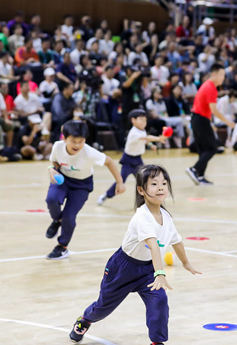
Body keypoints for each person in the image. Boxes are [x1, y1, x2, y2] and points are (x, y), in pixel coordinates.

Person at [68, 164, 201, 344]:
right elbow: (153, 246)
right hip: (122, 268)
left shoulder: (166, 217)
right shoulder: (142, 217)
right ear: (141, 190)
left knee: (159, 302)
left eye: (164, 183)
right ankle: (85, 320)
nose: (160, 187)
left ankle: (157, 342)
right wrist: (160, 273)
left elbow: (176, 241)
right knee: (103, 308)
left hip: (147, 271)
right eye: (154, 184)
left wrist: (186, 263)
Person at [45, 120, 126, 259]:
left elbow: (110, 162)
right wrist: (51, 170)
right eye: (73, 141)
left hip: (81, 185)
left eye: (81, 141)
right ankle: (58, 220)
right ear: (64, 138)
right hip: (63, 178)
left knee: (69, 217)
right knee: (51, 200)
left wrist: (120, 182)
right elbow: (54, 162)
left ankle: (62, 247)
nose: (77, 145)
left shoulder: (89, 152)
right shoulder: (57, 147)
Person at [97, 109, 166, 206]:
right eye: (141, 119)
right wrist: (159, 138)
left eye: (145, 120)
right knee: (121, 180)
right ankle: (106, 195)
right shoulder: (134, 132)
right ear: (133, 120)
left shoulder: (141, 130)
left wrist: (151, 145)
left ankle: (146, 201)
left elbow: (145, 139)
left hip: (138, 159)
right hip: (128, 160)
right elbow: (146, 137)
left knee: (144, 179)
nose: (143, 122)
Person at [186, 63, 235, 185]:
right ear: (214, 74)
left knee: (204, 149)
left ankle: (200, 175)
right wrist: (228, 122)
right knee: (213, 148)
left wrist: (210, 122)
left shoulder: (207, 85)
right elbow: (214, 110)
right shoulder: (211, 87)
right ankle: (194, 169)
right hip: (200, 119)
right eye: (221, 75)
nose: (223, 78)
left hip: (198, 119)